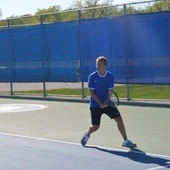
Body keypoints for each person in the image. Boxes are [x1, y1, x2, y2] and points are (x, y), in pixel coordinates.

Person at [80, 56, 135, 147]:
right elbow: (92, 93)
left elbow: (110, 92)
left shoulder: (110, 76)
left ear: (105, 66)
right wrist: (100, 103)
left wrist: (105, 102)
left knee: (119, 120)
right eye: (97, 64)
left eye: (100, 64)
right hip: (95, 104)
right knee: (95, 127)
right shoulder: (92, 77)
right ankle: (87, 133)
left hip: (107, 103)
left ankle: (126, 141)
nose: (98, 66)